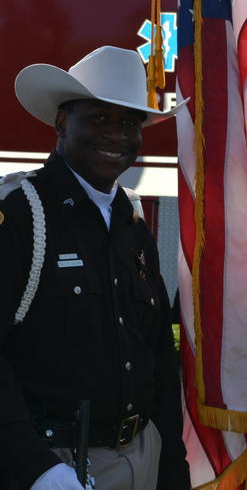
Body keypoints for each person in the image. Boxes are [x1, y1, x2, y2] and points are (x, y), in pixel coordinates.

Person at [0, 47, 190, 489]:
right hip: (55, 465)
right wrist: (36, 468)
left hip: (142, 455)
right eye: (100, 119)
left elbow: (158, 356)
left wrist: (171, 470)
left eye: (128, 123)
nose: (116, 136)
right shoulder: (22, 216)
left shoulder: (132, 223)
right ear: (63, 123)